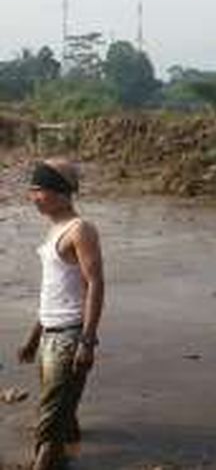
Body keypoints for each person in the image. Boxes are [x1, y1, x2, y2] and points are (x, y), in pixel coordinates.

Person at [17, 158, 105, 470]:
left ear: (60, 192)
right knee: (59, 406)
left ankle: (45, 461)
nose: (33, 197)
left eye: (37, 190)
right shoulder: (54, 229)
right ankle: (69, 446)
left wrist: (87, 341)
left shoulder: (80, 230)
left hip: (69, 335)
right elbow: (52, 292)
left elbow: (95, 284)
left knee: (49, 417)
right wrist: (32, 338)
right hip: (49, 335)